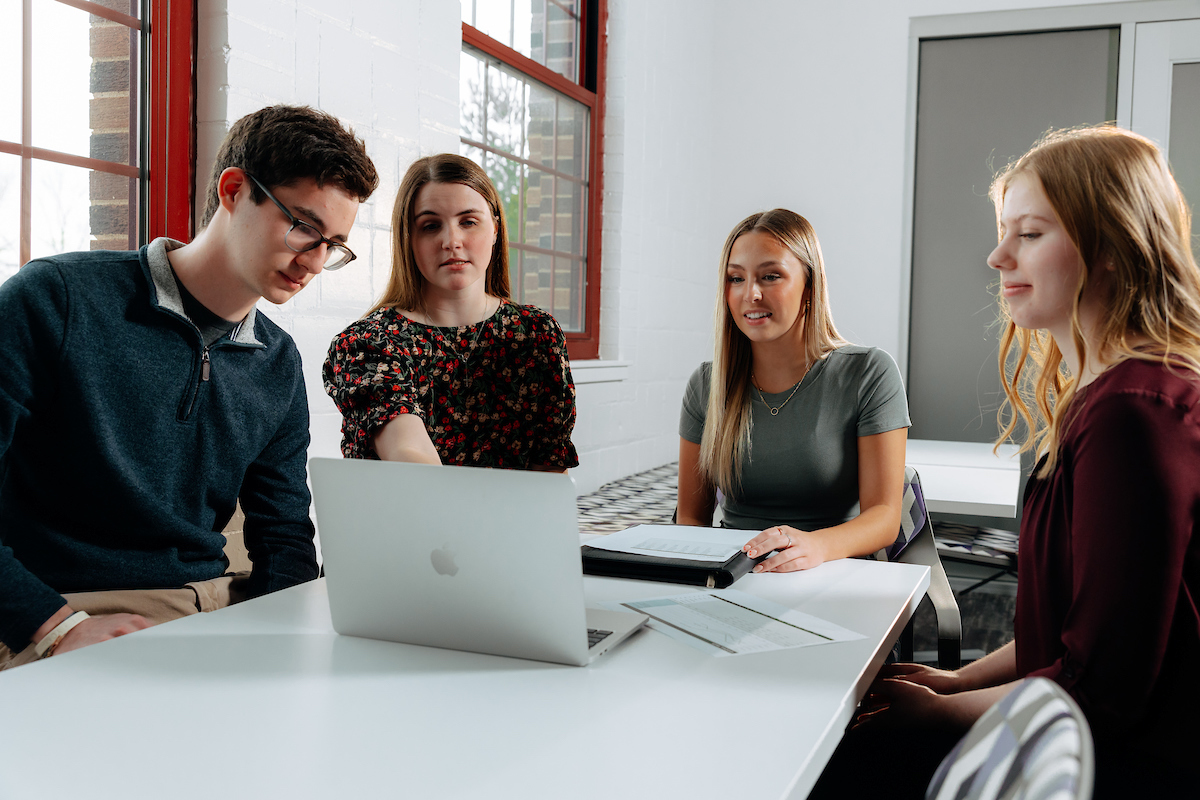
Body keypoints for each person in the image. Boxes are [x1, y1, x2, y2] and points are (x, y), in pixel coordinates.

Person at [814, 126, 1199, 799]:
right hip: (1072, 727)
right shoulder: (1105, 400)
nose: (996, 257)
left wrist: (939, 715)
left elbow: (1099, 691)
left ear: (1111, 245)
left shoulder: (1133, 413)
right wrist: (959, 681)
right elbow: (1074, 631)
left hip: (1112, 765)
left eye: (1029, 233)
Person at [0, 105, 379, 670]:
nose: (315, 262)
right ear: (233, 190)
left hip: (219, 606)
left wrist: (294, 639)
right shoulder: (57, 300)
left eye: (334, 245)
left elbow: (283, 535)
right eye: (304, 227)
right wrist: (54, 625)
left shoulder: (276, 360)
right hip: (69, 613)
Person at [676, 209, 909, 569]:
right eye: (736, 279)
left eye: (770, 276)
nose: (750, 294)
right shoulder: (706, 385)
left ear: (810, 284)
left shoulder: (868, 373)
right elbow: (690, 519)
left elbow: (884, 517)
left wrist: (814, 547)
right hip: (734, 572)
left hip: (832, 567)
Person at [323, 154, 578, 471]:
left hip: (520, 520)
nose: (451, 241)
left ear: (495, 228)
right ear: (409, 239)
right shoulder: (370, 343)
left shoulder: (536, 333)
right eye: (430, 226)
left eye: (468, 221)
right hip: (413, 519)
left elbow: (550, 468)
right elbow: (409, 455)